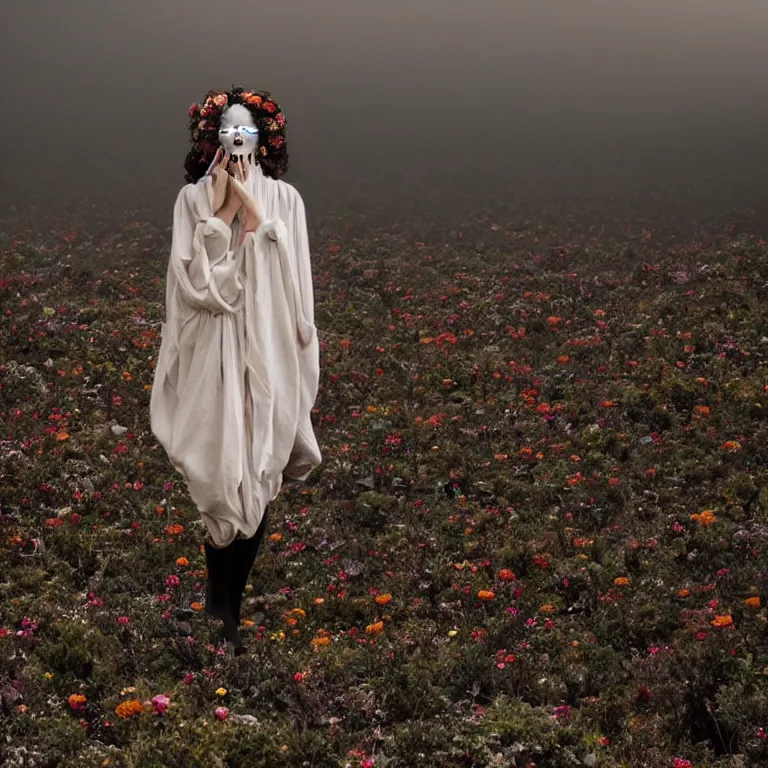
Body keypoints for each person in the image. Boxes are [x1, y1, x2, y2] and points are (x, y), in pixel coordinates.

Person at [150, 87, 322, 654]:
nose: (237, 140)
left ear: (264, 138)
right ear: (212, 139)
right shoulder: (190, 201)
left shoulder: (287, 202)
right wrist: (222, 210)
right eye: (228, 131)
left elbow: (293, 281)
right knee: (220, 467)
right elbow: (195, 286)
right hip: (213, 350)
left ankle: (229, 606)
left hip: (266, 346)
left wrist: (252, 211)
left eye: (247, 131)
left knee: (260, 466)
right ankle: (218, 600)